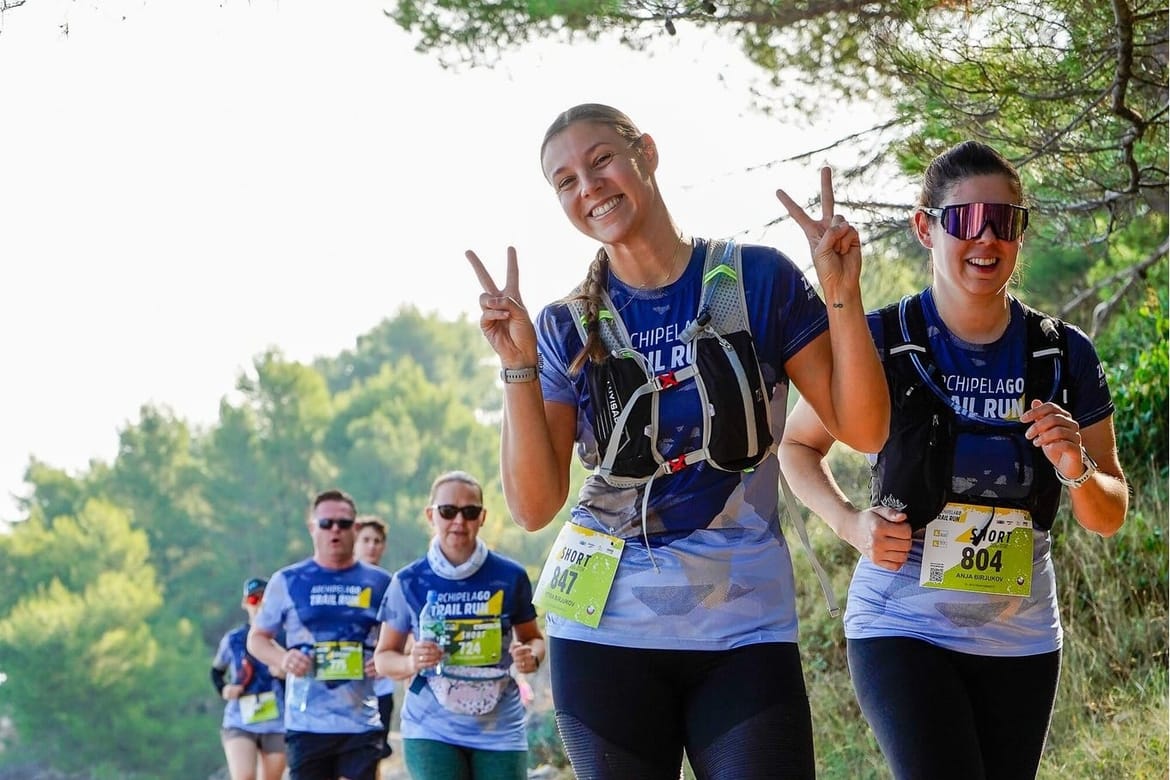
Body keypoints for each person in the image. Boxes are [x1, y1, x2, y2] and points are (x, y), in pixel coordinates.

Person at [465, 103, 889, 779]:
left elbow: (864, 429)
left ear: (647, 153)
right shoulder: (565, 324)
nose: (589, 187)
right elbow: (535, 506)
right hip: (603, 632)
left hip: (744, 626)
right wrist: (516, 363)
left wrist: (842, 294)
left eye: (601, 159)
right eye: (566, 181)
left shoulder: (757, 280)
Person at [779, 140, 1129, 779]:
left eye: (1005, 221)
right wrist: (851, 524)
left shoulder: (1062, 353)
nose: (986, 239)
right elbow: (798, 446)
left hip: (1019, 634)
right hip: (900, 621)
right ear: (925, 227)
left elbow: (1109, 512)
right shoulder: (883, 338)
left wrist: (1074, 465)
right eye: (966, 220)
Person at [374, 470, 545, 780]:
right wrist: (412, 660)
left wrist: (530, 656)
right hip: (431, 725)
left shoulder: (510, 575)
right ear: (430, 515)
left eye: (470, 512)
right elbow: (383, 658)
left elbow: (534, 639)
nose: (459, 521)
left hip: (499, 725)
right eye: (447, 511)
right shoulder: (408, 581)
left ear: (482, 517)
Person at [247, 489, 393, 780]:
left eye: (343, 523)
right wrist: (284, 657)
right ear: (313, 528)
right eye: (326, 524)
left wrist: (385, 659)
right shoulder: (288, 580)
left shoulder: (381, 582)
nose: (335, 530)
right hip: (307, 723)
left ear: (355, 528)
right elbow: (257, 638)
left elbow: (409, 638)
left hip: (361, 721)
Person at [211, 577, 287, 780]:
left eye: (264, 598)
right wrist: (225, 689)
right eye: (254, 599)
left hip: (277, 721)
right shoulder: (234, 639)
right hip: (240, 719)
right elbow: (216, 672)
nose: (259, 604)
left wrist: (284, 675)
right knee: (244, 776)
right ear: (245, 603)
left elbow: (302, 679)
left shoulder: (284, 637)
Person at [354, 515, 395, 761]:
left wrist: (386, 661)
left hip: (379, 685)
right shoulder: (338, 583)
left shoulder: (391, 585)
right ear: (354, 542)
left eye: (377, 541)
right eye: (366, 540)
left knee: (373, 757)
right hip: (343, 686)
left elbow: (408, 632)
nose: (372, 546)